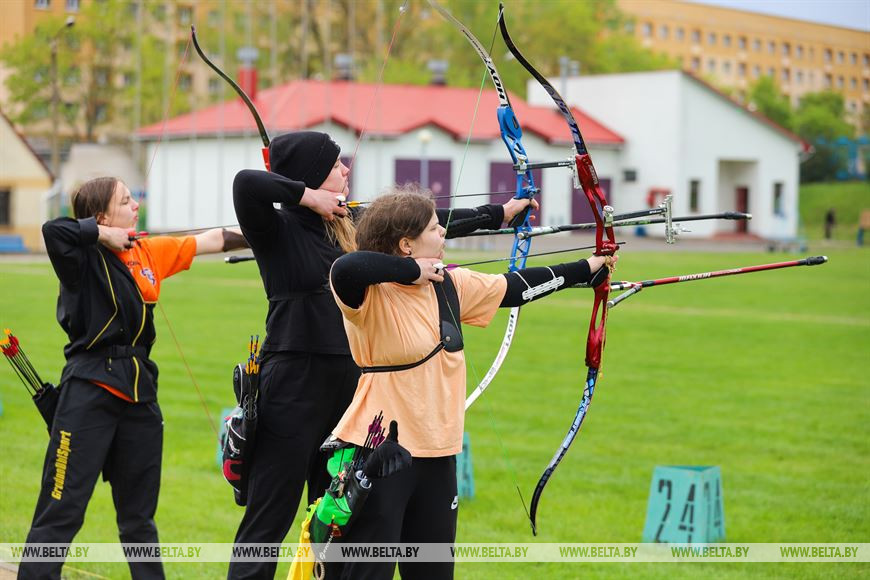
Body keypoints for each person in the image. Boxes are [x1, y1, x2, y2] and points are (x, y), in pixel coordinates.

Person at [227, 130, 536, 579]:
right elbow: (245, 183)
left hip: (352, 394)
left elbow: (421, 223)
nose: (346, 170)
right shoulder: (276, 229)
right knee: (268, 519)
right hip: (293, 387)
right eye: (335, 165)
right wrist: (309, 198)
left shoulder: (349, 224)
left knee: (334, 518)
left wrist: (500, 214)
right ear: (312, 177)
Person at [327, 187, 613, 580]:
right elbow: (345, 268)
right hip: (380, 453)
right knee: (365, 572)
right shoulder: (370, 295)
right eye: (434, 229)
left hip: (438, 450)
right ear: (407, 244)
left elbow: (515, 288)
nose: (443, 233)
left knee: (433, 572)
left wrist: (588, 266)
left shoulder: (449, 286)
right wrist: (414, 271)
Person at [20, 176, 247, 580]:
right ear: (103, 216)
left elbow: (211, 240)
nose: (136, 205)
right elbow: (53, 230)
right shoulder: (80, 258)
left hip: (139, 396)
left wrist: (264, 230)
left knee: (139, 520)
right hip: (88, 391)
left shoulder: (146, 251)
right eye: (126, 201)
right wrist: (102, 236)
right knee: (62, 512)